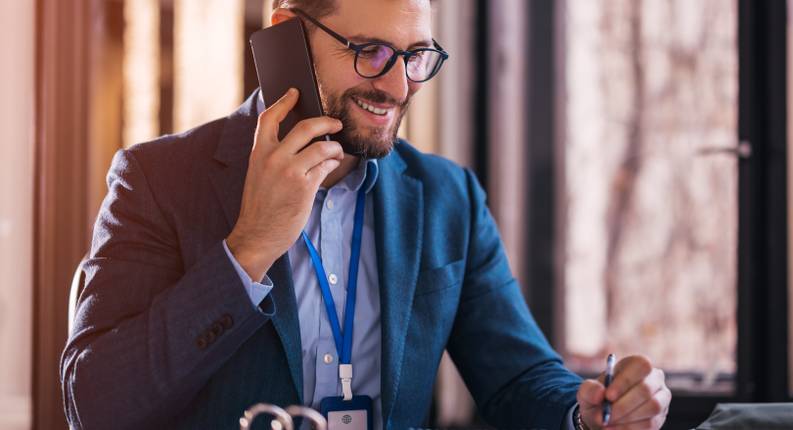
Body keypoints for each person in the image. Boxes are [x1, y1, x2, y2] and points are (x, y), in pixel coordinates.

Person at [60, 0, 671, 428]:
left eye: (417, 56)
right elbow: (96, 405)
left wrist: (587, 412)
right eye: (372, 51)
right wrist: (247, 250)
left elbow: (519, 380)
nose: (399, 85)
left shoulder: (446, 197)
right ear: (285, 34)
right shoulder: (159, 179)